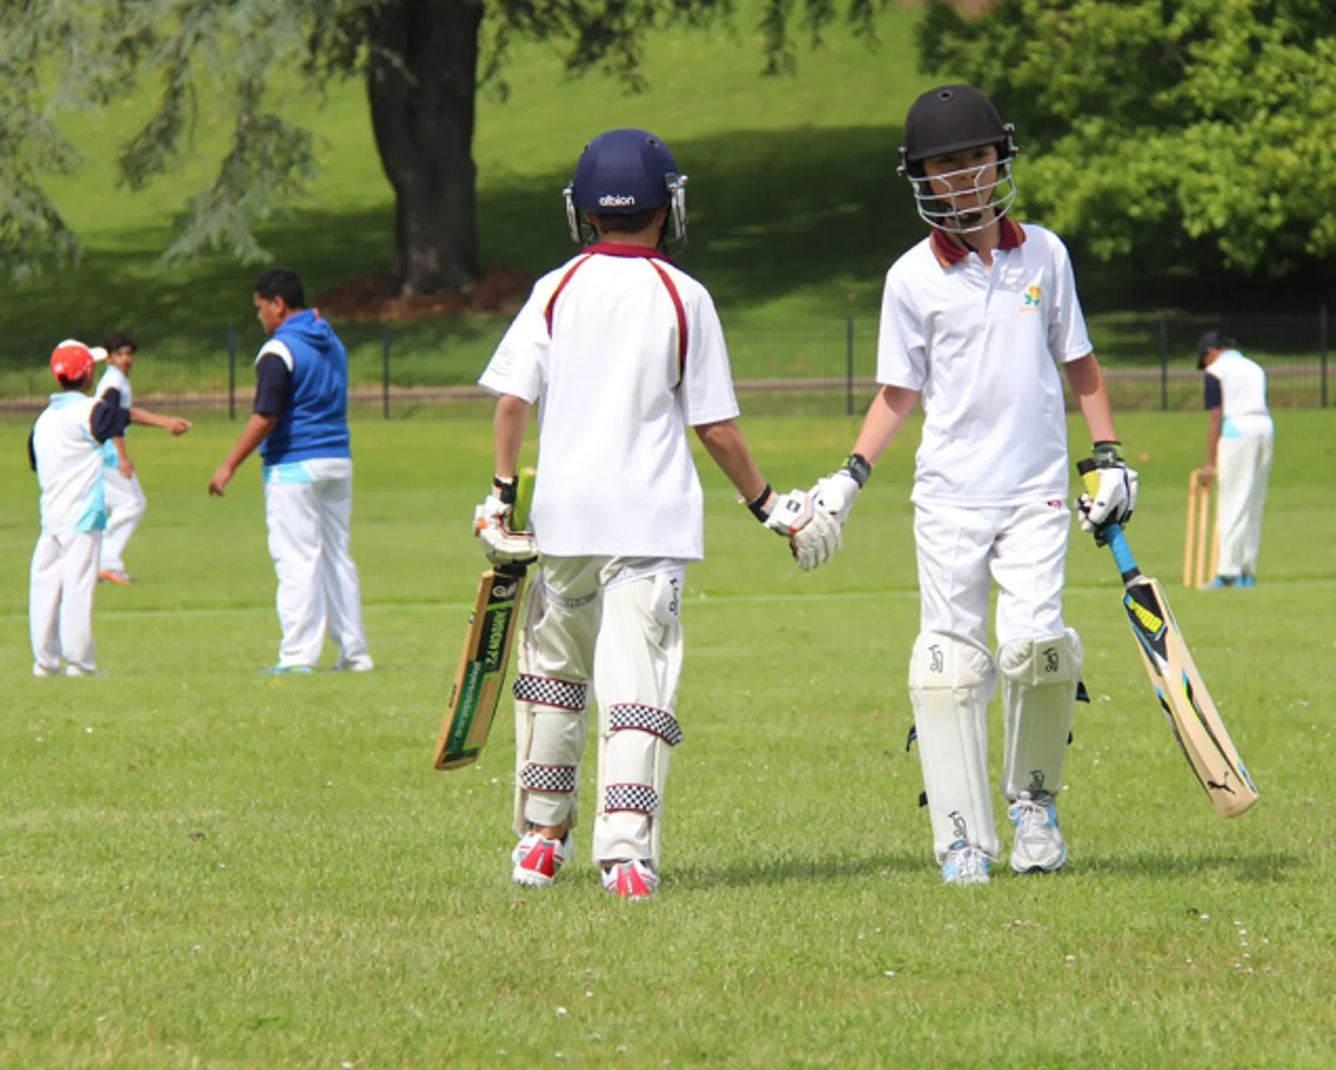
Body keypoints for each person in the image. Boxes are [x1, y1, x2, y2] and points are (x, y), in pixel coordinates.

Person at [476, 127, 830, 901]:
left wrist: (501, 496)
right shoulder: (684, 295)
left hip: (565, 520)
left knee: (553, 678)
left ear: (583, 212)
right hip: (649, 523)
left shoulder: (556, 287)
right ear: (667, 205)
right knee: (635, 683)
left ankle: (540, 841)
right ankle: (626, 856)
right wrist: (771, 507)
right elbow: (716, 427)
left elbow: (511, 401)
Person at [795, 84, 1133, 886]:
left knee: (1039, 649)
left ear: (999, 160)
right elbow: (897, 393)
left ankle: (1034, 806)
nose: (965, 177)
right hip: (949, 496)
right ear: (923, 177)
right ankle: (960, 837)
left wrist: (1109, 456)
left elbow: (1078, 363)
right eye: (946, 165)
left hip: (1036, 492)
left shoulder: (1044, 254)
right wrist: (849, 477)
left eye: (976, 158)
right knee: (950, 663)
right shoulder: (910, 278)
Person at [207, 269, 375, 672]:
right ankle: (355, 653)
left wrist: (228, 465)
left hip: (295, 463)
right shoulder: (330, 340)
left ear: (277, 304)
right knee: (337, 555)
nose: (259, 318)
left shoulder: (278, 351)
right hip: (337, 458)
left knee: (297, 559)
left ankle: (298, 655)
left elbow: (266, 414)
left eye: (260, 308)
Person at [28, 339, 129, 677]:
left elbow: (35, 462)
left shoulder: (42, 421)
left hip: (51, 516)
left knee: (45, 588)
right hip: (83, 516)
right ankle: (80, 663)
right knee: (77, 586)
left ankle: (44, 662)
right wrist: (162, 421)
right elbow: (118, 419)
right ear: (88, 376)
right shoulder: (89, 411)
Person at [93, 331, 194, 585]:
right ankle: (106, 562)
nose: (126, 359)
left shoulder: (116, 380)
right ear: (109, 358)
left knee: (120, 504)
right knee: (132, 504)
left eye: (129, 354)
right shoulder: (113, 384)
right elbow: (114, 420)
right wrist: (123, 456)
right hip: (107, 453)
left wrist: (164, 422)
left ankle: (101, 562)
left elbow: (130, 413)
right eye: (119, 354)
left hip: (99, 453)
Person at [1193, 329, 1274, 589]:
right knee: (1253, 501)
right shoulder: (1254, 367)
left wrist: (1209, 462)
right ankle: (1246, 569)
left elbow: (1215, 417)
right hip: (1264, 429)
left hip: (1237, 432)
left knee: (1232, 501)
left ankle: (1227, 571)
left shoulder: (1216, 371)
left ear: (1210, 353)